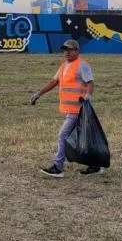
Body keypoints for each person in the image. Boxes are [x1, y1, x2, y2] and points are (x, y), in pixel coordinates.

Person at [29, 39, 99, 177]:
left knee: (63, 136)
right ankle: (95, 165)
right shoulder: (63, 66)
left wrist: (88, 96)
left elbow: (90, 83)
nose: (66, 52)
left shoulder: (82, 65)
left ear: (77, 51)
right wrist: (39, 94)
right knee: (81, 137)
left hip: (78, 109)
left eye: (70, 49)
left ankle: (58, 167)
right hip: (70, 110)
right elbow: (54, 82)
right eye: (64, 49)